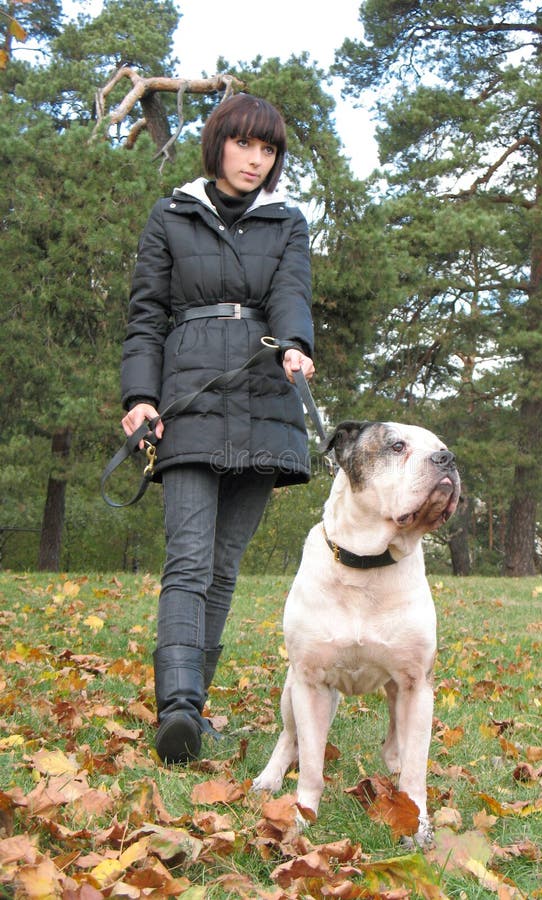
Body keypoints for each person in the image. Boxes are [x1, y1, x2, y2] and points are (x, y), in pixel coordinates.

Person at [120, 93, 315, 765]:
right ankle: (175, 706)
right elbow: (146, 314)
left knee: (225, 566)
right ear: (218, 144)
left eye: (268, 150)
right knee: (189, 558)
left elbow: (291, 291)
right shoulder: (171, 214)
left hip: (266, 396)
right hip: (188, 398)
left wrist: (293, 341)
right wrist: (141, 396)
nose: (255, 160)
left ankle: (190, 712)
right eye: (244, 145)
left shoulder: (286, 221)